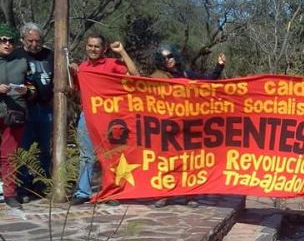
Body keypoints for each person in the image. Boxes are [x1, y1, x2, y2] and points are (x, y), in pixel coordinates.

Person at [150, 44, 226, 208]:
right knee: (166, 162)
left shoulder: (185, 74)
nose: (168, 60)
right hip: (167, 127)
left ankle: (190, 195)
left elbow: (208, 82)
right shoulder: (156, 77)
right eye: (164, 58)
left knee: (189, 162)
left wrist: (219, 66)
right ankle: (164, 195)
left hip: (187, 126)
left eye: (170, 56)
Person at [69, 33, 139, 206]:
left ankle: (110, 193)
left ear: (103, 48)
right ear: (86, 47)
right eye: (90, 46)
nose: (93, 49)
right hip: (88, 117)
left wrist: (122, 52)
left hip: (109, 118)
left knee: (111, 155)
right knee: (87, 155)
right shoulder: (82, 68)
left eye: (97, 46)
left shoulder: (111, 64)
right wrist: (72, 72)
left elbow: (134, 74)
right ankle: (83, 192)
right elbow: (76, 92)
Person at [19, 22, 54, 199]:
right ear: (23, 40)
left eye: (37, 40)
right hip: (24, 110)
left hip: (46, 108)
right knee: (22, 149)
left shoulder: (50, 55)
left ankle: (43, 184)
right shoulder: (17, 56)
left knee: (45, 149)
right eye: (30, 40)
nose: (34, 44)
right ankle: (23, 185)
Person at [0, 23, 33, 209]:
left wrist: (27, 90)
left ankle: (10, 194)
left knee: (9, 155)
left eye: (10, 41)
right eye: (3, 40)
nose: (7, 44)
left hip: (15, 113)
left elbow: (33, 84)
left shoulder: (22, 60)